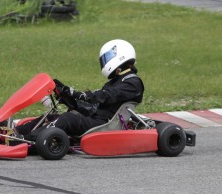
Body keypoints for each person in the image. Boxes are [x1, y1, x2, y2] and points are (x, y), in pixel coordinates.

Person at [16, 39, 144, 139]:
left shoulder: (133, 83)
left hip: (105, 125)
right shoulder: (117, 80)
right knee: (53, 117)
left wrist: (79, 94)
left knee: (68, 119)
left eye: (107, 57)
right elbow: (95, 106)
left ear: (120, 56)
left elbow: (107, 96)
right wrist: (69, 97)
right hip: (96, 118)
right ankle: (15, 132)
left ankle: (25, 140)